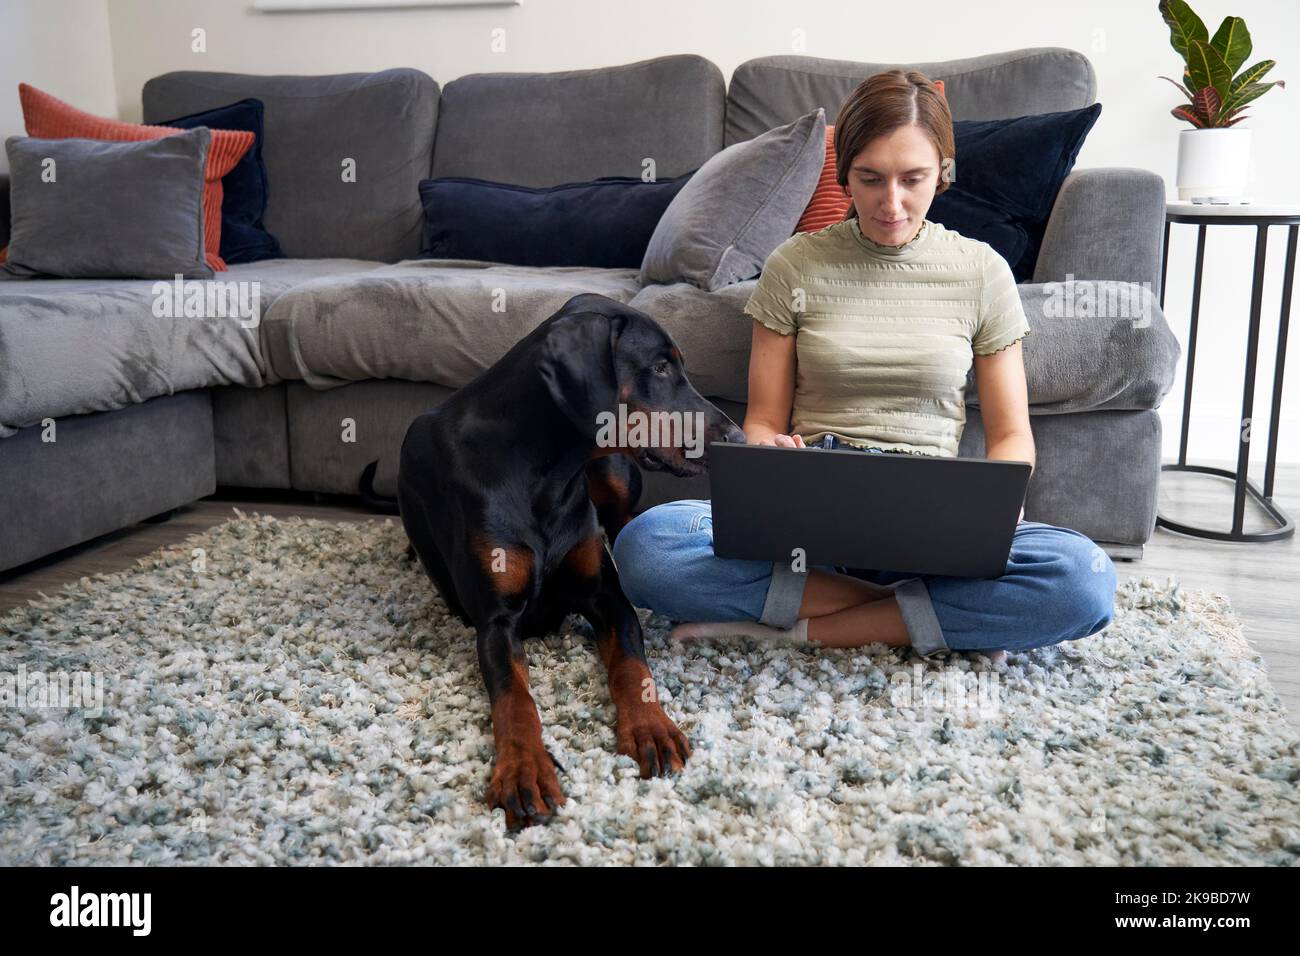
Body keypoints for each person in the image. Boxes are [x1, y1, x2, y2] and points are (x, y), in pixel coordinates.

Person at [611, 69, 1117, 662]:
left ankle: (808, 626)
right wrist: (768, 455)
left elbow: (1010, 437)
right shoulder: (795, 265)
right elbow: (763, 420)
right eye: (870, 178)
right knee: (647, 547)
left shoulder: (982, 272)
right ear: (845, 171)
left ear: (944, 174)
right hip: (811, 508)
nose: (891, 202)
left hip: (932, 510)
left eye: (914, 179)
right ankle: (928, 610)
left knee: (1082, 577)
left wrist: (1001, 508)